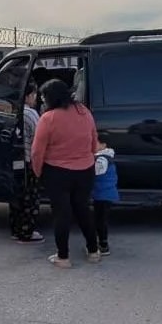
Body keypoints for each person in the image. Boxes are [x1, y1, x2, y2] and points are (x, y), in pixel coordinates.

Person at [31, 79, 101, 268]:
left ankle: (63, 257)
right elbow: (93, 140)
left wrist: (38, 172)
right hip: (85, 170)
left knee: (62, 214)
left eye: (43, 97)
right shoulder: (84, 111)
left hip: (57, 172)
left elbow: (37, 151)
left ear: (51, 98)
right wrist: (88, 157)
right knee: (83, 209)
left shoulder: (48, 118)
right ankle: (93, 251)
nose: (42, 100)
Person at [10, 80, 44, 242]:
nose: (36, 98)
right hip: (29, 161)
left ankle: (16, 230)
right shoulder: (31, 114)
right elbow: (40, 136)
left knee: (16, 197)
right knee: (30, 198)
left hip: (16, 161)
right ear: (28, 96)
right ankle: (27, 232)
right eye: (34, 94)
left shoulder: (13, 111)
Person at [93, 140, 119, 256]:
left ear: (104, 145)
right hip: (105, 194)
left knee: (100, 220)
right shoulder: (109, 157)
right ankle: (102, 243)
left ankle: (103, 245)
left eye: (96, 143)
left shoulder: (102, 159)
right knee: (100, 219)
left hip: (102, 194)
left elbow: (97, 172)